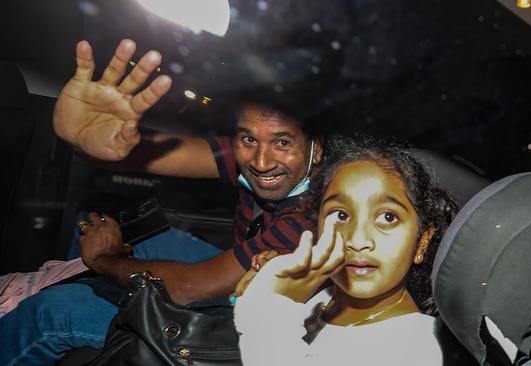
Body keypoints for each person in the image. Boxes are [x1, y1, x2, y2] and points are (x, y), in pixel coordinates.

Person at [0, 39, 323, 366]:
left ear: (317, 149)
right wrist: (85, 143)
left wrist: (105, 259)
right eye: (249, 138)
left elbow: (188, 287)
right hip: (242, 283)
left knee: (53, 313)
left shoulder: (312, 219)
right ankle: (52, 287)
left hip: (257, 330)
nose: (262, 161)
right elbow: (144, 157)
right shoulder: (251, 155)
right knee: (116, 227)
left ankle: (47, 308)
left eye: (283, 142)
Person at [234, 135, 457, 365]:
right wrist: (263, 292)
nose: (358, 240)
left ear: (422, 240)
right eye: (341, 215)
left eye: (387, 217)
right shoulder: (325, 298)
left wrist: (272, 308)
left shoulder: (418, 351)